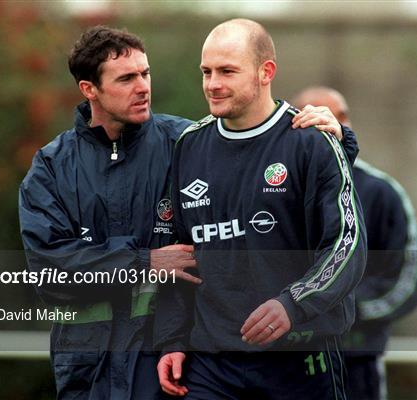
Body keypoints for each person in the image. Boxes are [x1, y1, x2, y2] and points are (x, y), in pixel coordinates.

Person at [18, 26, 355, 400]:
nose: (143, 87)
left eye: (145, 74)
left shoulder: (181, 142)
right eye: (127, 78)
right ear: (89, 89)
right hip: (88, 364)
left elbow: (277, 161)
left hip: (164, 364)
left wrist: (339, 140)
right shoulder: (51, 167)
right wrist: (143, 261)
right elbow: (51, 271)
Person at [156, 19, 367, 400]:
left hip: (300, 361)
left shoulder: (311, 141)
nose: (212, 84)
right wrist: (172, 338)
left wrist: (294, 303)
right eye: (206, 71)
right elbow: (177, 255)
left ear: (265, 71)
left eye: (227, 71)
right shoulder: (189, 145)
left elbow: (347, 243)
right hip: (211, 367)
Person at [293, 86, 417, 400]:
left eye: (337, 118)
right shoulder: (275, 191)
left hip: (355, 363)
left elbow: (409, 277)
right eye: (314, 120)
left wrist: (346, 308)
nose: (328, 127)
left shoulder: (381, 192)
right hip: (284, 363)